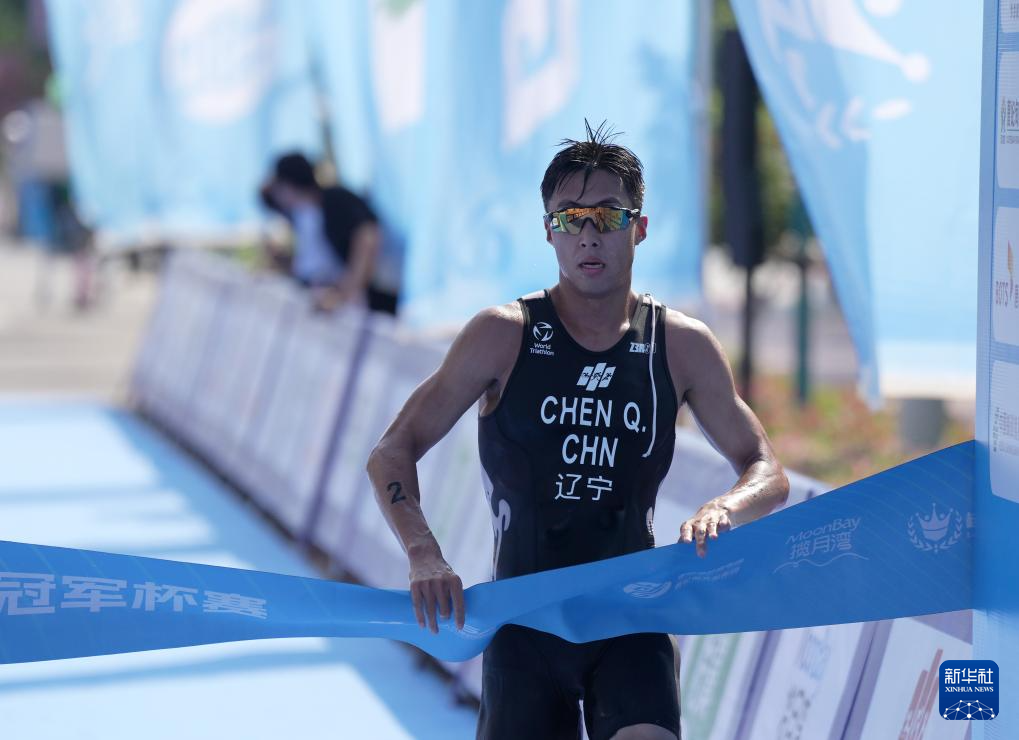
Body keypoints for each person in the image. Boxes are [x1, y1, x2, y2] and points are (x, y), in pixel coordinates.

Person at [366, 122, 789, 740]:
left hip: (630, 618)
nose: (589, 235)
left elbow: (766, 467)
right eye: (570, 218)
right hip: (526, 627)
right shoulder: (502, 335)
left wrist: (725, 507)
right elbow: (391, 452)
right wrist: (423, 554)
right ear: (549, 231)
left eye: (609, 216)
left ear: (639, 228)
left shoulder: (681, 345)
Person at [260, 152, 398, 314]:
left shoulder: (334, 199)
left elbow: (368, 235)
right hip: (316, 295)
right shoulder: (297, 215)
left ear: (288, 185)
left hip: (349, 300)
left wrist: (349, 288)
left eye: (280, 186)